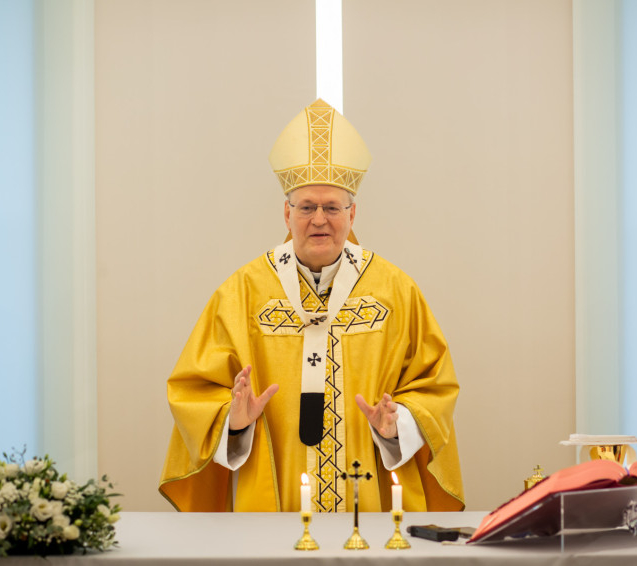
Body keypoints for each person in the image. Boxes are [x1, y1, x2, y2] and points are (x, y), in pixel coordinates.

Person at [159, 99, 464, 512]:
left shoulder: (395, 291)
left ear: (352, 214)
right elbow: (193, 390)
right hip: (274, 493)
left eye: (332, 207)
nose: (319, 219)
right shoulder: (243, 292)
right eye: (306, 207)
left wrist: (399, 424)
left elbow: (434, 386)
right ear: (287, 214)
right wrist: (233, 421)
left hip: (368, 487)